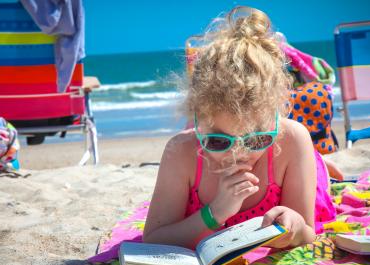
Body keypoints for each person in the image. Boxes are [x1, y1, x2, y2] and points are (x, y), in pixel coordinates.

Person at [143, 6, 341, 249]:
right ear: (196, 121)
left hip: (293, 162)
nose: (238, 153)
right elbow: (153, 238)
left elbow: (307, 231)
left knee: (317, 175)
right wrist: (214, 212)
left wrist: (294, 227)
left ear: (276, 120)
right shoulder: (181, 151)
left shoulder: (290, 139)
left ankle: (318, 163)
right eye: (218, 141)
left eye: (256, 140)